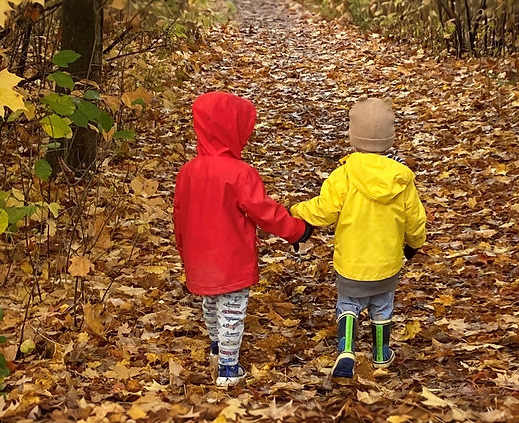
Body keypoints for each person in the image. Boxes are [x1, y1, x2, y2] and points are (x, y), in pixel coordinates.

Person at [173, 92, 312, 386]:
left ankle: (216, 349)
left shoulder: (188, 172)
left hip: (199, 257)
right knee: (231, 312)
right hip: (232, 258)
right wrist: (296, 230)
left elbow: (179, 215)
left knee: (210, 305)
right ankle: (228, 369)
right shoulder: (240, 173)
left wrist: (184, 250)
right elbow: (264, 211)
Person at [291, 98, 427, 378]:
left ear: (353, 136)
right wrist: (415, 243)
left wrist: (297, 210)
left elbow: (324, 210)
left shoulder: (344, 175)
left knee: (348, 304)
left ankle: (346, 351)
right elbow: (415, 219)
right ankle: (381, 354)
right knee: (382, 305)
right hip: (387, 262)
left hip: (351, 262)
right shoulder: (401, 180)